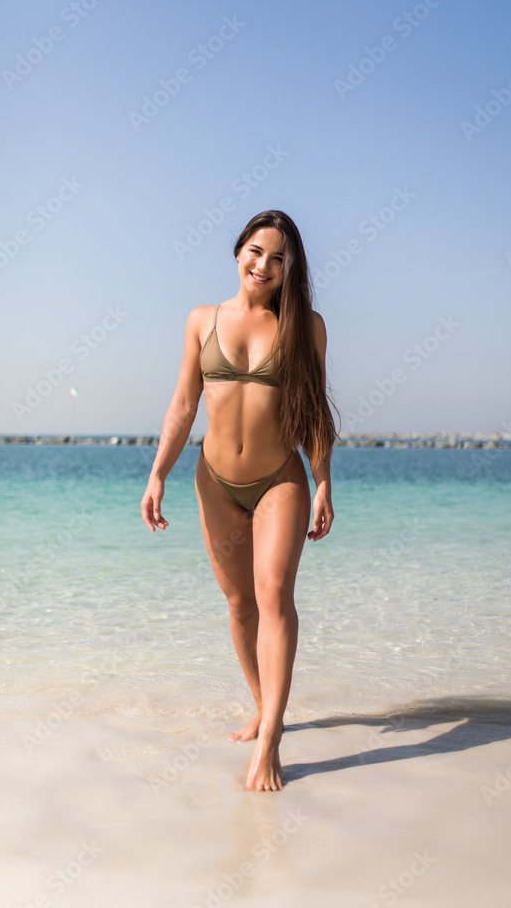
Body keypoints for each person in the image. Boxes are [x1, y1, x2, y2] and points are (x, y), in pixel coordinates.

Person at [141, 210, 340, 791]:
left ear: (290, 270)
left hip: (280, 478)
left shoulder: (307, 327)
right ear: (237, 252)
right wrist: (157, 476)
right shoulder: (202, 320)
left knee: (274, 594)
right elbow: (182, 407)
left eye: (279, 259)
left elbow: (316, 415)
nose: (265, 265)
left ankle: (271, 740)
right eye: (257, 251)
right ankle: (263, 705)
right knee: (238, 603)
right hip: (215, 482)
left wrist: (324, 479)